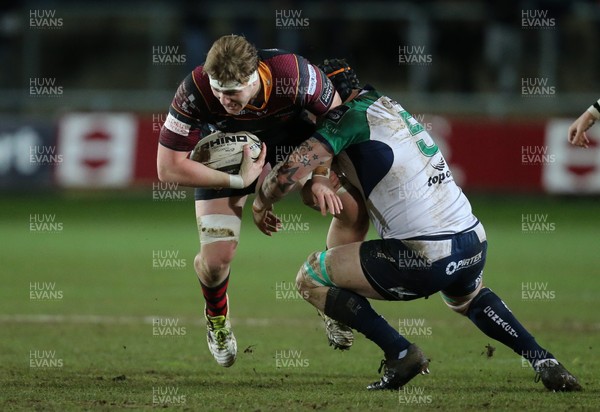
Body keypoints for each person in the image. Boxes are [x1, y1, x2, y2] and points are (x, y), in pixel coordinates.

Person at [251, 59, 582, 391]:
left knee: (311, 277)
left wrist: (261, 201)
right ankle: (544, 360)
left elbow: (287, 172)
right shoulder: (386, 105)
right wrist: (321, 179)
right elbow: (350, 186)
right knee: (469, 299)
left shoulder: (346, 119)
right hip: (471, 241)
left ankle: (401, 352)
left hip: (423, 255)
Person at [156, 34, 341, 367]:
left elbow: (336, 115)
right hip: (231, 153)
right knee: (215, 262)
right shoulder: (195, 90)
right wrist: (238, 181)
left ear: (254, 77)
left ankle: (338, 298)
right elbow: (167, 168)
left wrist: (320, 176)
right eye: (219, 92)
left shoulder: (293, 74)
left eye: (233, 92)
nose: (225, 100)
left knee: (340, 202)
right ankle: (216, 318)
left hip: (295, 139)